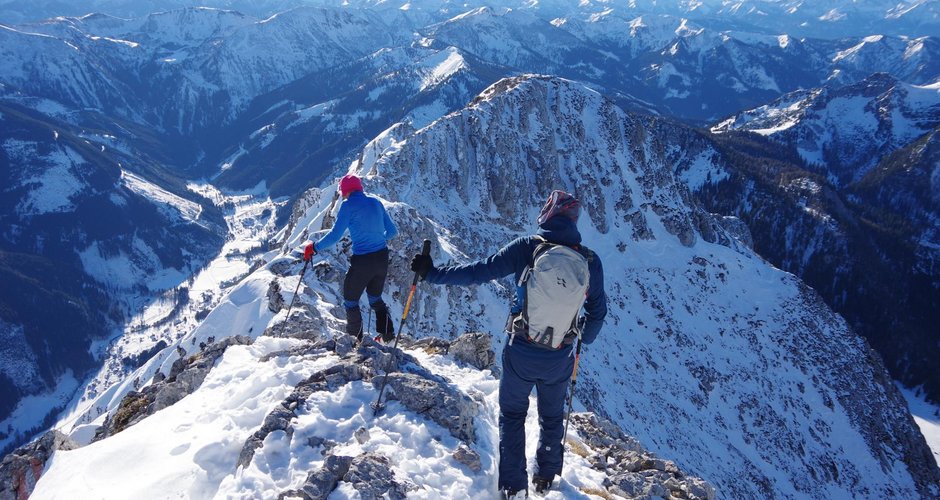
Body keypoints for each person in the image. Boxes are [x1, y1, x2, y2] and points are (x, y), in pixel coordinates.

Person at [410, 190, 607, 498]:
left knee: (513, 415)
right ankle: (546, 477)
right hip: (560, 354)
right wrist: (583, 337)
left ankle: (513, 487)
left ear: (548, 214)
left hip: (521, 349)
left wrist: (432, 274)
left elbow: (479, 271)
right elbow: (598, 311)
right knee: (552, 416)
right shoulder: (590, 261)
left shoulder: (527, 248)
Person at [304, 174, 398, 342]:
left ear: (345, 192)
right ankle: (388, 336)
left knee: (351, 300)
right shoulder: (376, 202)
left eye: (342, 193)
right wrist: (377, 238)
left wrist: (314, 247)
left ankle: (356, 341)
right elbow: (392, 232)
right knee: (375, 298)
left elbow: (335, 236)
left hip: (363, 260)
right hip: (382, 258)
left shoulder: (348, 206)